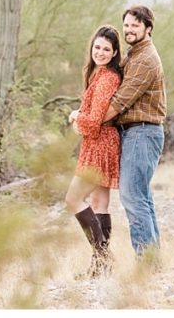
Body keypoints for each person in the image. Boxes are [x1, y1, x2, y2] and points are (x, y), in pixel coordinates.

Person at [101, 5, 167, 258]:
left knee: (132, 196)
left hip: (142, 132)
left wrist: (89, 124)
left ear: (148, 29)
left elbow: (119, 102)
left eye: (135, 26)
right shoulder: (133, 54)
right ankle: (152, 259)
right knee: (141, 197)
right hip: (135, 133)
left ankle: (146, 262)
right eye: (126, 25)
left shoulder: (145, 59)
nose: (129, 30)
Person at [66, 25, 123, 277]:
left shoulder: (108, 78)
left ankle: (103, 257)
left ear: (114, 53)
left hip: (100, 144)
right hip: (102, 142)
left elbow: (94, 119)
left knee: (72, 199)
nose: (100, 52)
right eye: (97, 47)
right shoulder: (98, 75)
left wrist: (77, 116)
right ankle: (99, 268)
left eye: (106, 49)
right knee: (99, 202)